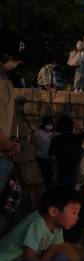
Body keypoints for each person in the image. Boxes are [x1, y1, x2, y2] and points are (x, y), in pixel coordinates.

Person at [0, 186, 82, 261]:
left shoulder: (57, 225)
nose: (77, 217)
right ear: (53, 211)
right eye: (74, 213)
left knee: (62, 258)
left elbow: (50, 250)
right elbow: (29, 257)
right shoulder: (37, 222)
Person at [0, 30, 24, 198]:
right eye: (15, 58)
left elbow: (12, 114)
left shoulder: (7, 82)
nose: (17, 63)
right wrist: (3, 140)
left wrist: (13, 139)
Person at [48, 116, 82, 188]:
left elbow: (52, 158)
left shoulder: (56, 139)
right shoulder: (78, 139)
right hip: (74, 171)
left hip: (60, 171)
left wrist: (54, 173)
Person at [32, 116, 55, 187]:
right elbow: (33, 142)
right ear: (44, 124)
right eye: (48, 124)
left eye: (51, 124)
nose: (49, 126)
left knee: (49, 175)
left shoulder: (52, 134)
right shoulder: (38, 132)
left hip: (49, 157)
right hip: (39, 156)